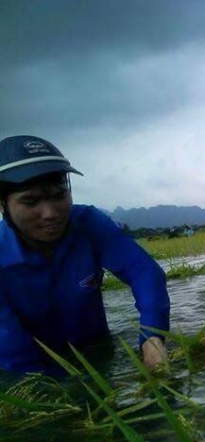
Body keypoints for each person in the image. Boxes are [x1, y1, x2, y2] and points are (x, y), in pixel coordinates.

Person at [0, 135, 170, 374]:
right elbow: (11, 349)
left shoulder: (89, 224)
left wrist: (153, 339)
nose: (50, 213)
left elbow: (145, 273)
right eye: (30, 201)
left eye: (59, 195)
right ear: (3, 204)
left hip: (100, 355)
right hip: (28, 372)